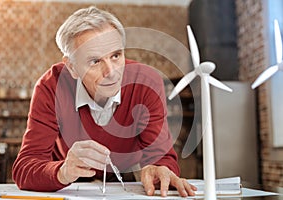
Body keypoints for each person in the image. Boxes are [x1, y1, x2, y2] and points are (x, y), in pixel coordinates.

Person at [12, 6, 197, 197]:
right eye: (95, 61)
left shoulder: (146, 83)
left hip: (122, 179)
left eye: (116, 56)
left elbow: (162, 159)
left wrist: (161, 169)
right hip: (64, 180)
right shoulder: (51, 86)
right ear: (72, 67)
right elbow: (24, 168)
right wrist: (63, 171)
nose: (111, 72)